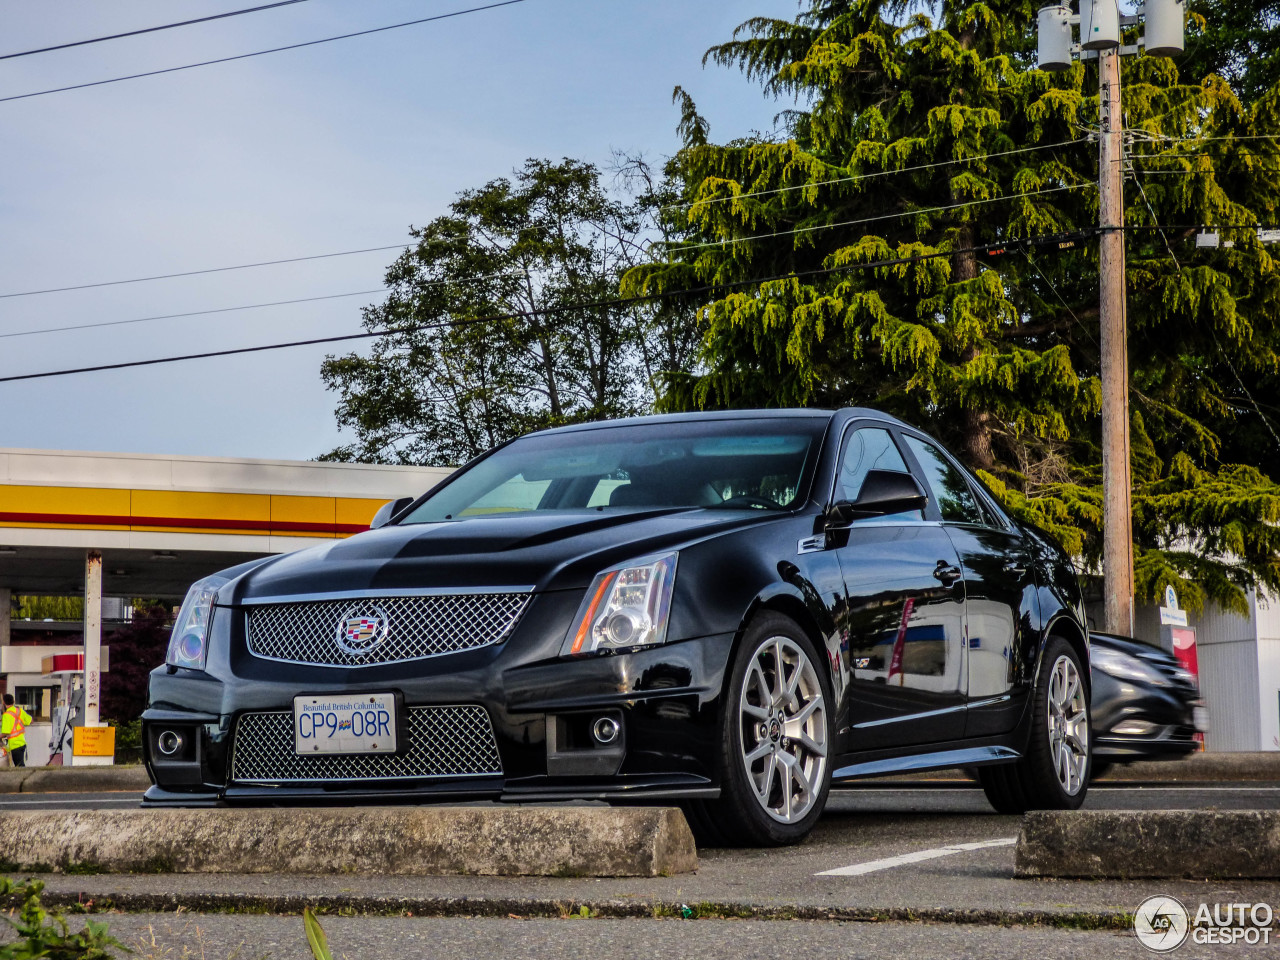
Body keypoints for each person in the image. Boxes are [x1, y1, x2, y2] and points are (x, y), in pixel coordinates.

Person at [1, 694, 33, 768]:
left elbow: (6, 732)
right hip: (22, 743)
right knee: (20, 765)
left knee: (19, 767)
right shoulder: (20, 711)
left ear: (4, 703)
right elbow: (31, 720)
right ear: (13, 701)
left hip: (15, 745)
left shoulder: (6, 715)